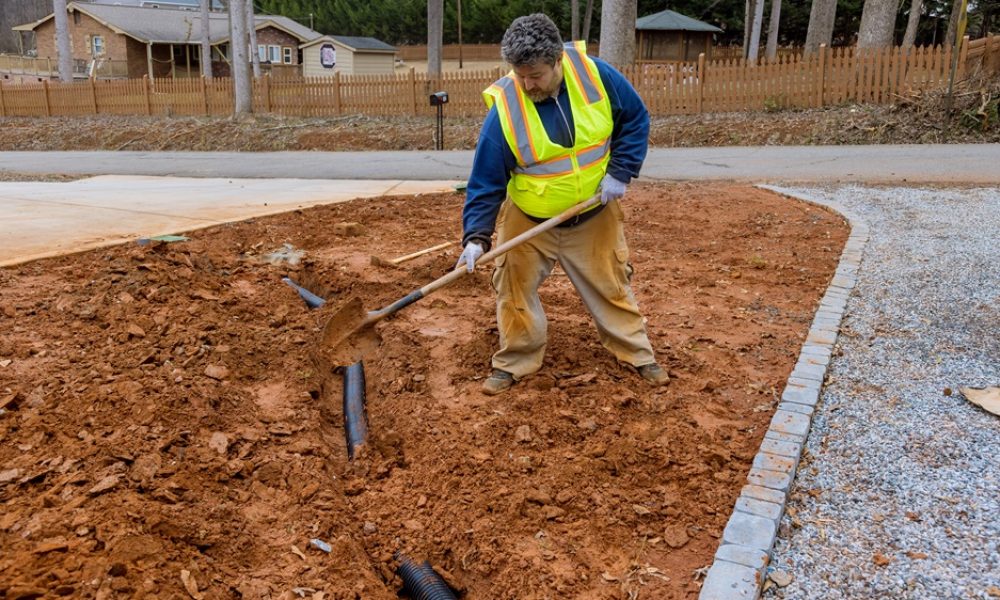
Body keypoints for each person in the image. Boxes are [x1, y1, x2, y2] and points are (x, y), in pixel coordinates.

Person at [457, 13, 670, 395]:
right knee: (514, 289)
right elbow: (486, 180)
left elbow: (635, 119)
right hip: (530, 219)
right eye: (519, 74)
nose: (526, 83)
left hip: (592, 213)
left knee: (612, 285)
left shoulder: (597, 78)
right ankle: (516, 361)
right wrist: (476, 236)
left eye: (535, 75)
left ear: (558, 60)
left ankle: (637, 354)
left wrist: (621, 172)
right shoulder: (506, 107)